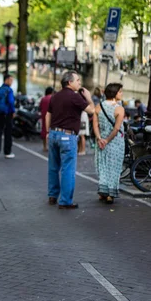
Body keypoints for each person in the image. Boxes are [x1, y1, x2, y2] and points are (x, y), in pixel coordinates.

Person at [46, 70, 95, 209]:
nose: (80, 82)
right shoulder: (75, 97)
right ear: (70, 82)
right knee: (68, 168)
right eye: (77, 80)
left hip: (54, 134)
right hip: (67, 136)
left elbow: (47, 115)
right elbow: (92, 111)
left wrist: (48, 131)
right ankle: (65, 201)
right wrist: (89, 97)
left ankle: (52, 195)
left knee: (53, 167)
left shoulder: (54, 96)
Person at [94, 83, 125, 204]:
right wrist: (107, 140)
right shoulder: (119, 109)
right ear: (115, 93)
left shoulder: (98, 106)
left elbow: (95, 125)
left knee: (103, 166)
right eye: (120, 92)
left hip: (100, 141)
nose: (122, 94)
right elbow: (117, 129)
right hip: (115, 142)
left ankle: (103, 192)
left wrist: (99, 138)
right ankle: (110, 195)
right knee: (114, 167)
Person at [0, 74, 16, 159]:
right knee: (8, 132)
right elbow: (11, 101)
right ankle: (7, 152)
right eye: (11, 80)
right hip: (6, 114)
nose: (12, 82)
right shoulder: (9, 90)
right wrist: (13, 111)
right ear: (7, 80)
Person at [39, 87, 54, 152]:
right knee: (51, 131)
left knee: (44, 130)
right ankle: (51, 147)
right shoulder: (52, 98)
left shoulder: (43, 98)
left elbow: (40, 107)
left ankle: (44, 146)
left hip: (44, 116)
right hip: (51, 116)